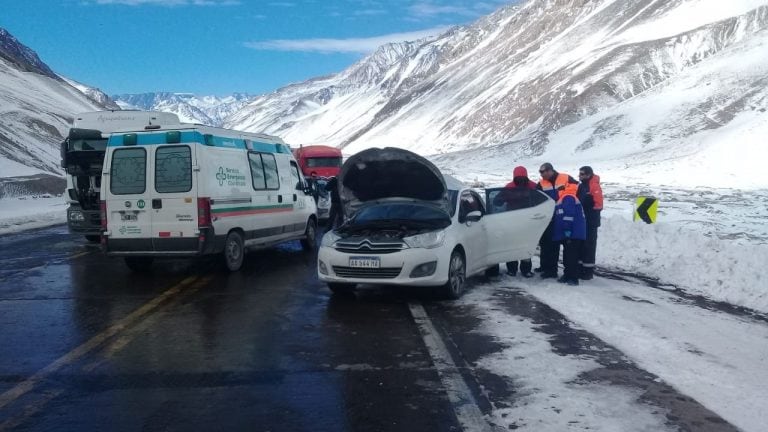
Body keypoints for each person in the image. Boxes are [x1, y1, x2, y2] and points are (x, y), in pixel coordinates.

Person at [536, 163, 579, 279]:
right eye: (540, 172)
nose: (541, 174)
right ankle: (550, 270)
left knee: (568, 247)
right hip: (550, 218)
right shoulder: (541, 184)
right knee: (550, 245)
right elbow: (536, 198)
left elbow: (576, 192)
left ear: (550, 170)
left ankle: (569, 274)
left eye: (542, 172)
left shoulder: (566, 178)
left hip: (565, 217)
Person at [492, 166, 537, 277]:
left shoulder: (512, 187)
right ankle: (523, 270)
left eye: (522, 178)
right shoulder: (533, 186)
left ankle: (514, 270)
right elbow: (497, 201)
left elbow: (496, 202)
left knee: (516, 245)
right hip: (522, 221)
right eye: (519, 178)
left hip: (518, 220)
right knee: (521, 245)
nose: (521, 180)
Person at [552, 193, 587, 285]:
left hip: (572, 233)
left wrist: (567, 230)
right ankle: (567, 275)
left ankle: (573, 278)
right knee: (568, 256)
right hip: (572, 233)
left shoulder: (568, 197)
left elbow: (568, 216)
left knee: (571, 257)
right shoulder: (567, 198)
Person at [577, 166, 603, 280]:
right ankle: (581, 268)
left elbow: (599, 205)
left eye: (582, 174)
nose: (580, 176)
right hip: (583, 220)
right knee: (582, 244)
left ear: (588, 175)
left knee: (589, 245)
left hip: (591, 221)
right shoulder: (582, 185)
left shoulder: (594, 185)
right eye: (580, 174)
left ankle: (588, 271)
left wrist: (589, 205)